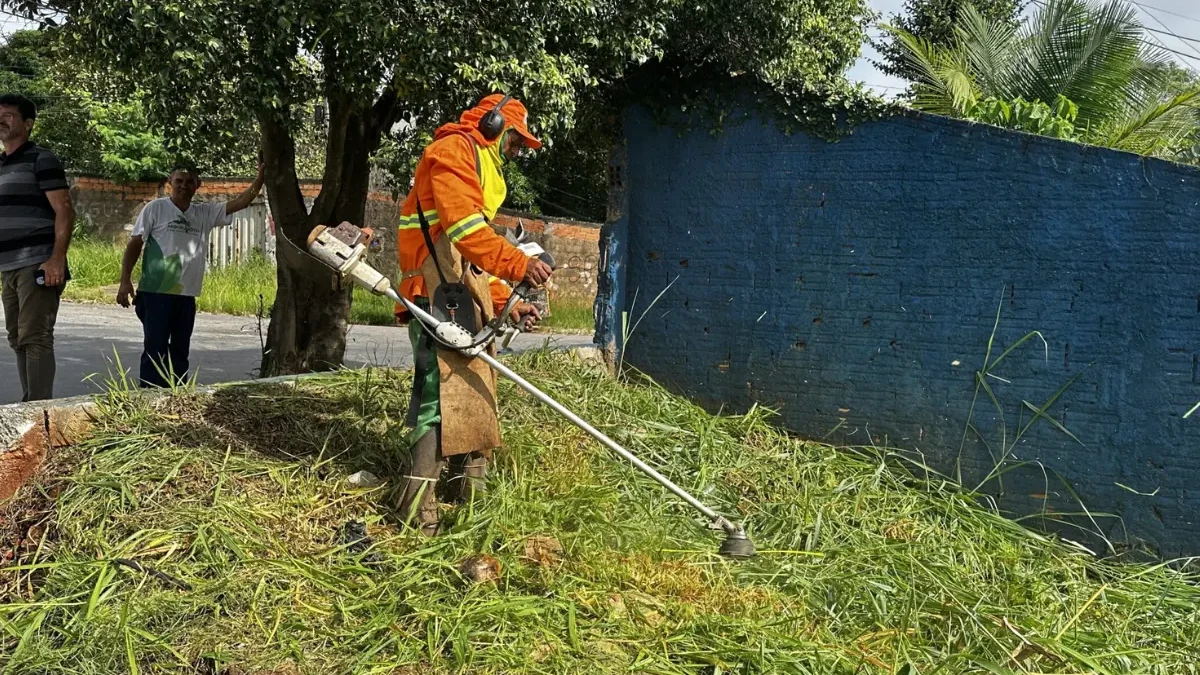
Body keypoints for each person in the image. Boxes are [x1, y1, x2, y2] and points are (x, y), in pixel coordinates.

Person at [394, 93, 552, 534]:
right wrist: (520, 264)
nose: (519, 151)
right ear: (494, 123)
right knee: (434, 394)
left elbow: (474, 261)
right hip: (431, 292)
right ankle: (415, 506)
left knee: (477, 385)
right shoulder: (453, 151)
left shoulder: (482, 166)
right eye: (517, 141)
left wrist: (509, 303)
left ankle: (471, 496)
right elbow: (464, 230)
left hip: (459, 288)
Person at [116, 162, 265, 387]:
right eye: (178, 181)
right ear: (170, 183)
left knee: (180, 352)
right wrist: (125, 281)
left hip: (186, 296)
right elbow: (135, 243)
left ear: (197, 185)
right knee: (155, 349)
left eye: (188, 182)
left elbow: (242, 202)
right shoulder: (155, 209)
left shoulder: (204, 213)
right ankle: (147, 398)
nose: (183, 186)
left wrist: (261, 177)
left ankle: (177, 397)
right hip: (155, 293)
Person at [0, 93, 75, 402]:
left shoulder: (41, 158)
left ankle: (39, 407)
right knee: (18, 338)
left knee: (36, 337)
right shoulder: (2, 164)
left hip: (37, 262)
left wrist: (56, 259)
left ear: (28, 124)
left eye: (8, 115)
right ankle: (30, 402)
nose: (1, 120)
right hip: (8, 264)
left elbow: (65, 211)